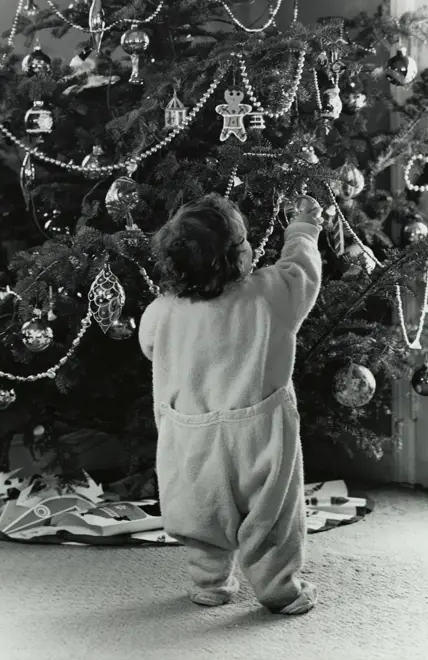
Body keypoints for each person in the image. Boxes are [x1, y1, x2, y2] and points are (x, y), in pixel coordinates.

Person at [139, 192, 323, 615]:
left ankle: (210, 583)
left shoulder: (162, 310)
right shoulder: (267, 295)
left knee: (201, 511)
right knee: (272, 514)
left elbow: (150, 346)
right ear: (233, 258)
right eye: (244, 243)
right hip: (258, 432)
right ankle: (281, 589)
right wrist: (303, 226)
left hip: (190, 434)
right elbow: (302, 270)